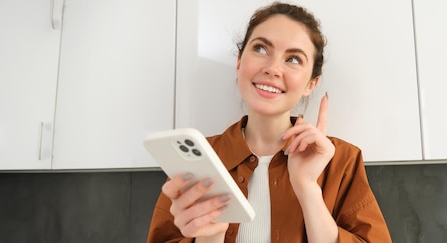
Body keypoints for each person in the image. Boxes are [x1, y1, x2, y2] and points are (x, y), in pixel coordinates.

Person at [147, 2, 392, 242]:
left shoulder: (342, 161)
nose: (273, 68)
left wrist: (308, 189)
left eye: (294, 59)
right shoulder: (194, 159)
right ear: (239, 62)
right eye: (261, 49)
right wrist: (209, 236)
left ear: (311, 84)